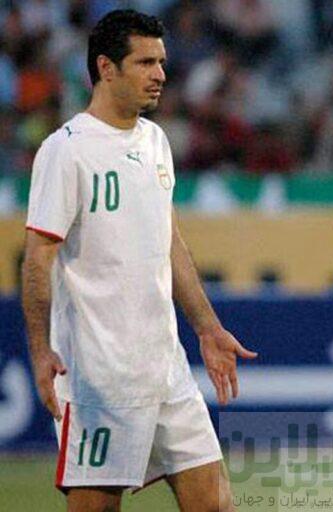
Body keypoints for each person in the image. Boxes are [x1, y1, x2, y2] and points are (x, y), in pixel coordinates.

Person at [21, 10, 257, 512]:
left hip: (165, 366)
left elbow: (168, 242)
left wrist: (207, 328)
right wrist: (41, 351)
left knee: (215, 505)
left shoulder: (155, 141)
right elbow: (39, 257)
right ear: (106, 68)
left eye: (161, 62)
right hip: (99, 375)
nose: (161, 74)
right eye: (146, 62)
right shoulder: (66, 151)